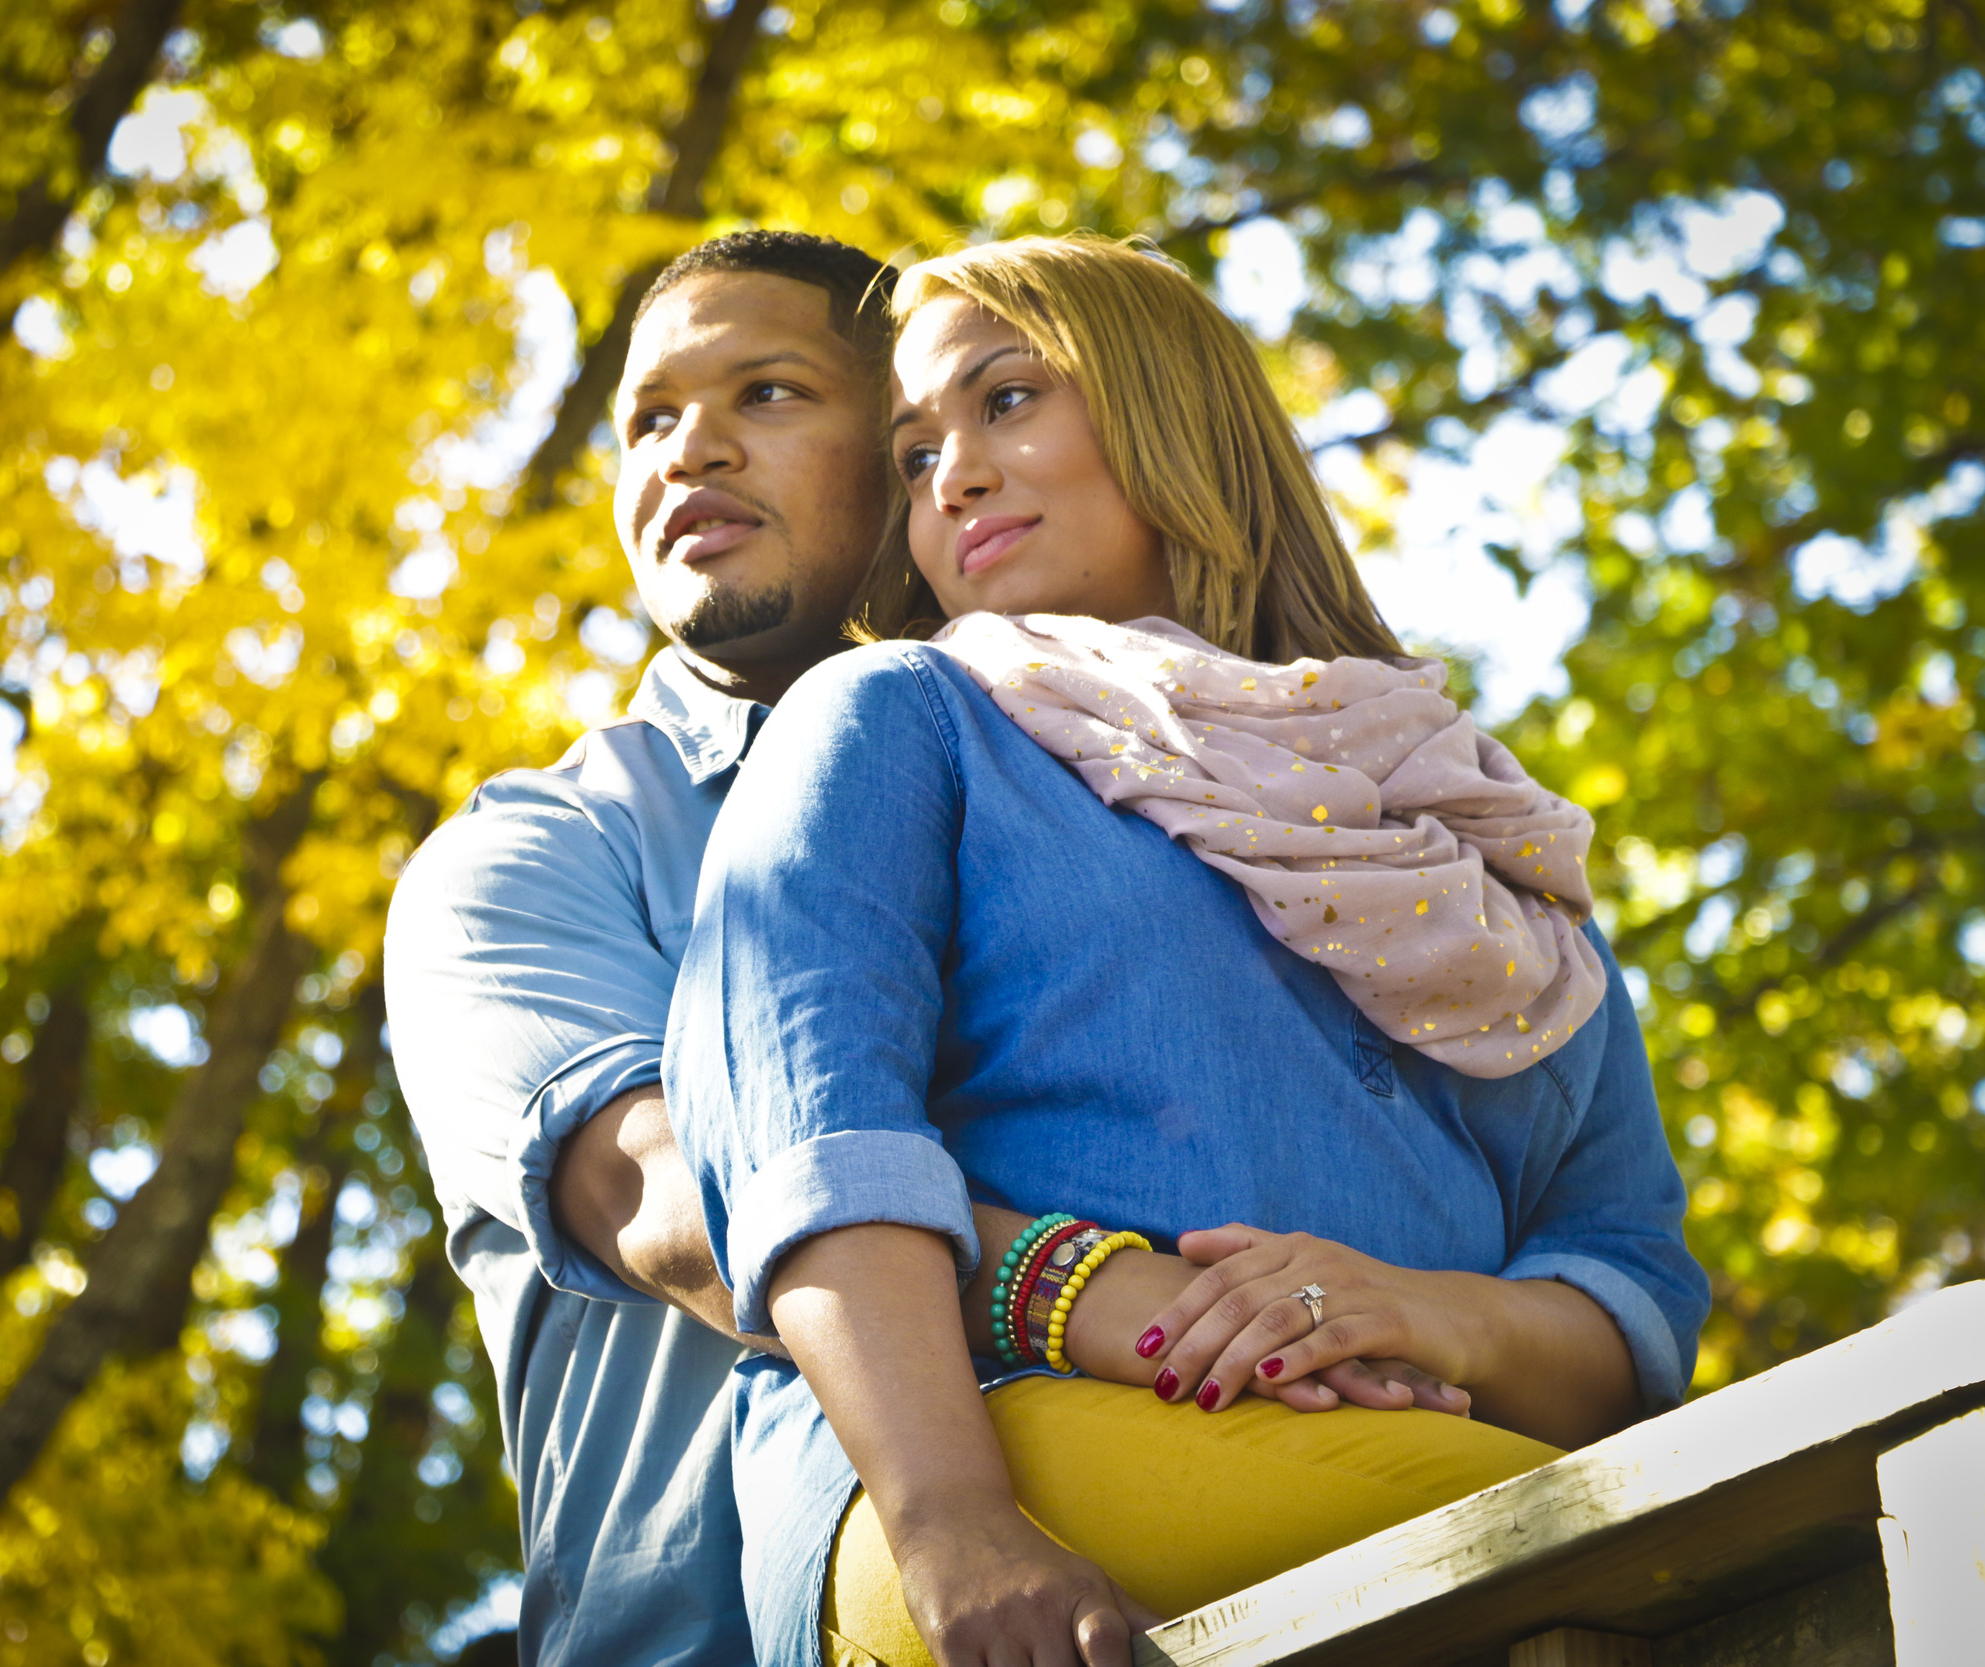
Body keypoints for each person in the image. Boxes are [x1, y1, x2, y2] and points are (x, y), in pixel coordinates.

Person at [665, 235, 1708, 1667]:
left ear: (1176, 411)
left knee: (1696, 1534)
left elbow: (1629, 1287)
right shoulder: (900, 723)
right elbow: (806, 1141)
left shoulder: (1471, 838)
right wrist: (955, 1518)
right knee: (1704, 1573)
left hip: (1433, 1467)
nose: (951, 475)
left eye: (1008, 401)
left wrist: (1429, 1317)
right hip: (1003, 1478)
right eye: (912, 458)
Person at [386, 231, 1415, 1664]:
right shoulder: (529, 860)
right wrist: (1137, 1303)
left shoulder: (1128, 791)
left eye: (769, 394)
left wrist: (1415, 1319)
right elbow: (686, 1192)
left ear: (903, 464)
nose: (689, 451)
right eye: (648, 417)